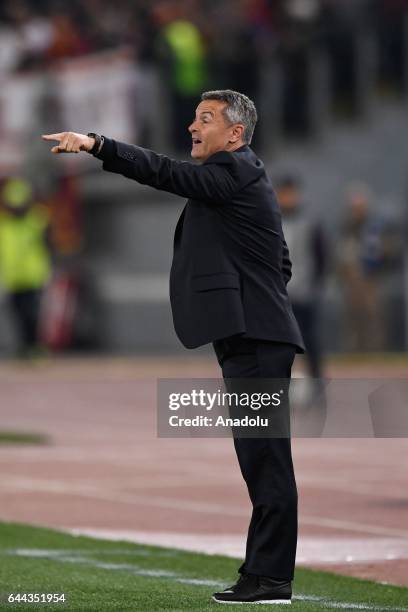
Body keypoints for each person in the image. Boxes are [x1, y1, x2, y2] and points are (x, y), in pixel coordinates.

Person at [42, 89, 304, 606]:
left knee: (267, 460)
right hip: (251, 335)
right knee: (260, 460)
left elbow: (164, 172)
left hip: (256, 339)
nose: (191, 126)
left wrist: (98, 145)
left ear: (234, 133)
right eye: (193, 116)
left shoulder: (233, 172)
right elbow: (281, 261)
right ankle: (263, 573)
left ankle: (271, 579)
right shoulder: (242, 178)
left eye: (205, 118)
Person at [276, 174, 327, 380]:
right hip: (276, 294)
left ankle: (316, 382)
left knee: (308, 338)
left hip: (303, 292)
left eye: (291, 193)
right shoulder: (269, 219)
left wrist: (314, 284)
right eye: (284, 194)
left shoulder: (310, 222)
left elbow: (321, 255)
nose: (288, 198)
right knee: (276, 344)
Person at [0, 177, 51, 357]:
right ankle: (23, 348)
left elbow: (49, 245)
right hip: (12, 278)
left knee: (33, 315)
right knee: (17, 315)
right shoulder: (4, 224)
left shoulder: (38, 219)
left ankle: (35, 347)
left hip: (33, 276)